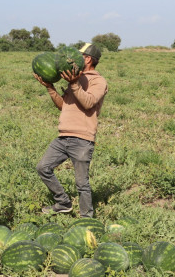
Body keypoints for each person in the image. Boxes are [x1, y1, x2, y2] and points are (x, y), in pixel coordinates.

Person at [35, 43, 108, 217]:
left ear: (88, 59)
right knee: (43, 167)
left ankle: (86, 218)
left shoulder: (98, 81)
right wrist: (50, 87)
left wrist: (74, 83)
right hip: (63, 136)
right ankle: (63, 203)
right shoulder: (75, 78)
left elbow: (88, 103)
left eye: (79, 55)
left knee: (82, 183)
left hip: (82, 139)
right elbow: (64, 106)